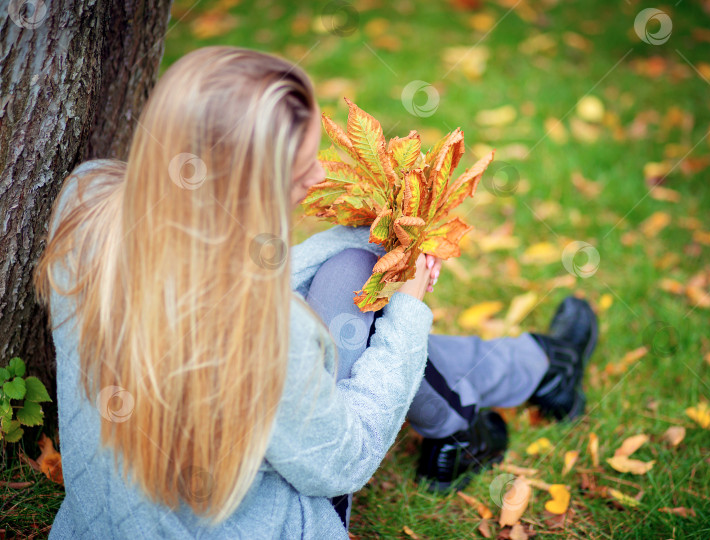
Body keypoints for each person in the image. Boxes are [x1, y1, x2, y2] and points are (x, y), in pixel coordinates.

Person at [33, 46, 598, 538]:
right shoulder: (265, 334)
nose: (315, 180)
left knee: (353, 265)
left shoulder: (88, 204)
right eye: (299, 170)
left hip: (109, 520)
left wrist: (352, 244)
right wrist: (408, 312)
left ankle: (530, 373)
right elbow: (342, 460)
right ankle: (525, 379)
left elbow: (210, 277)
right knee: (370, 306)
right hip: (250, 525)